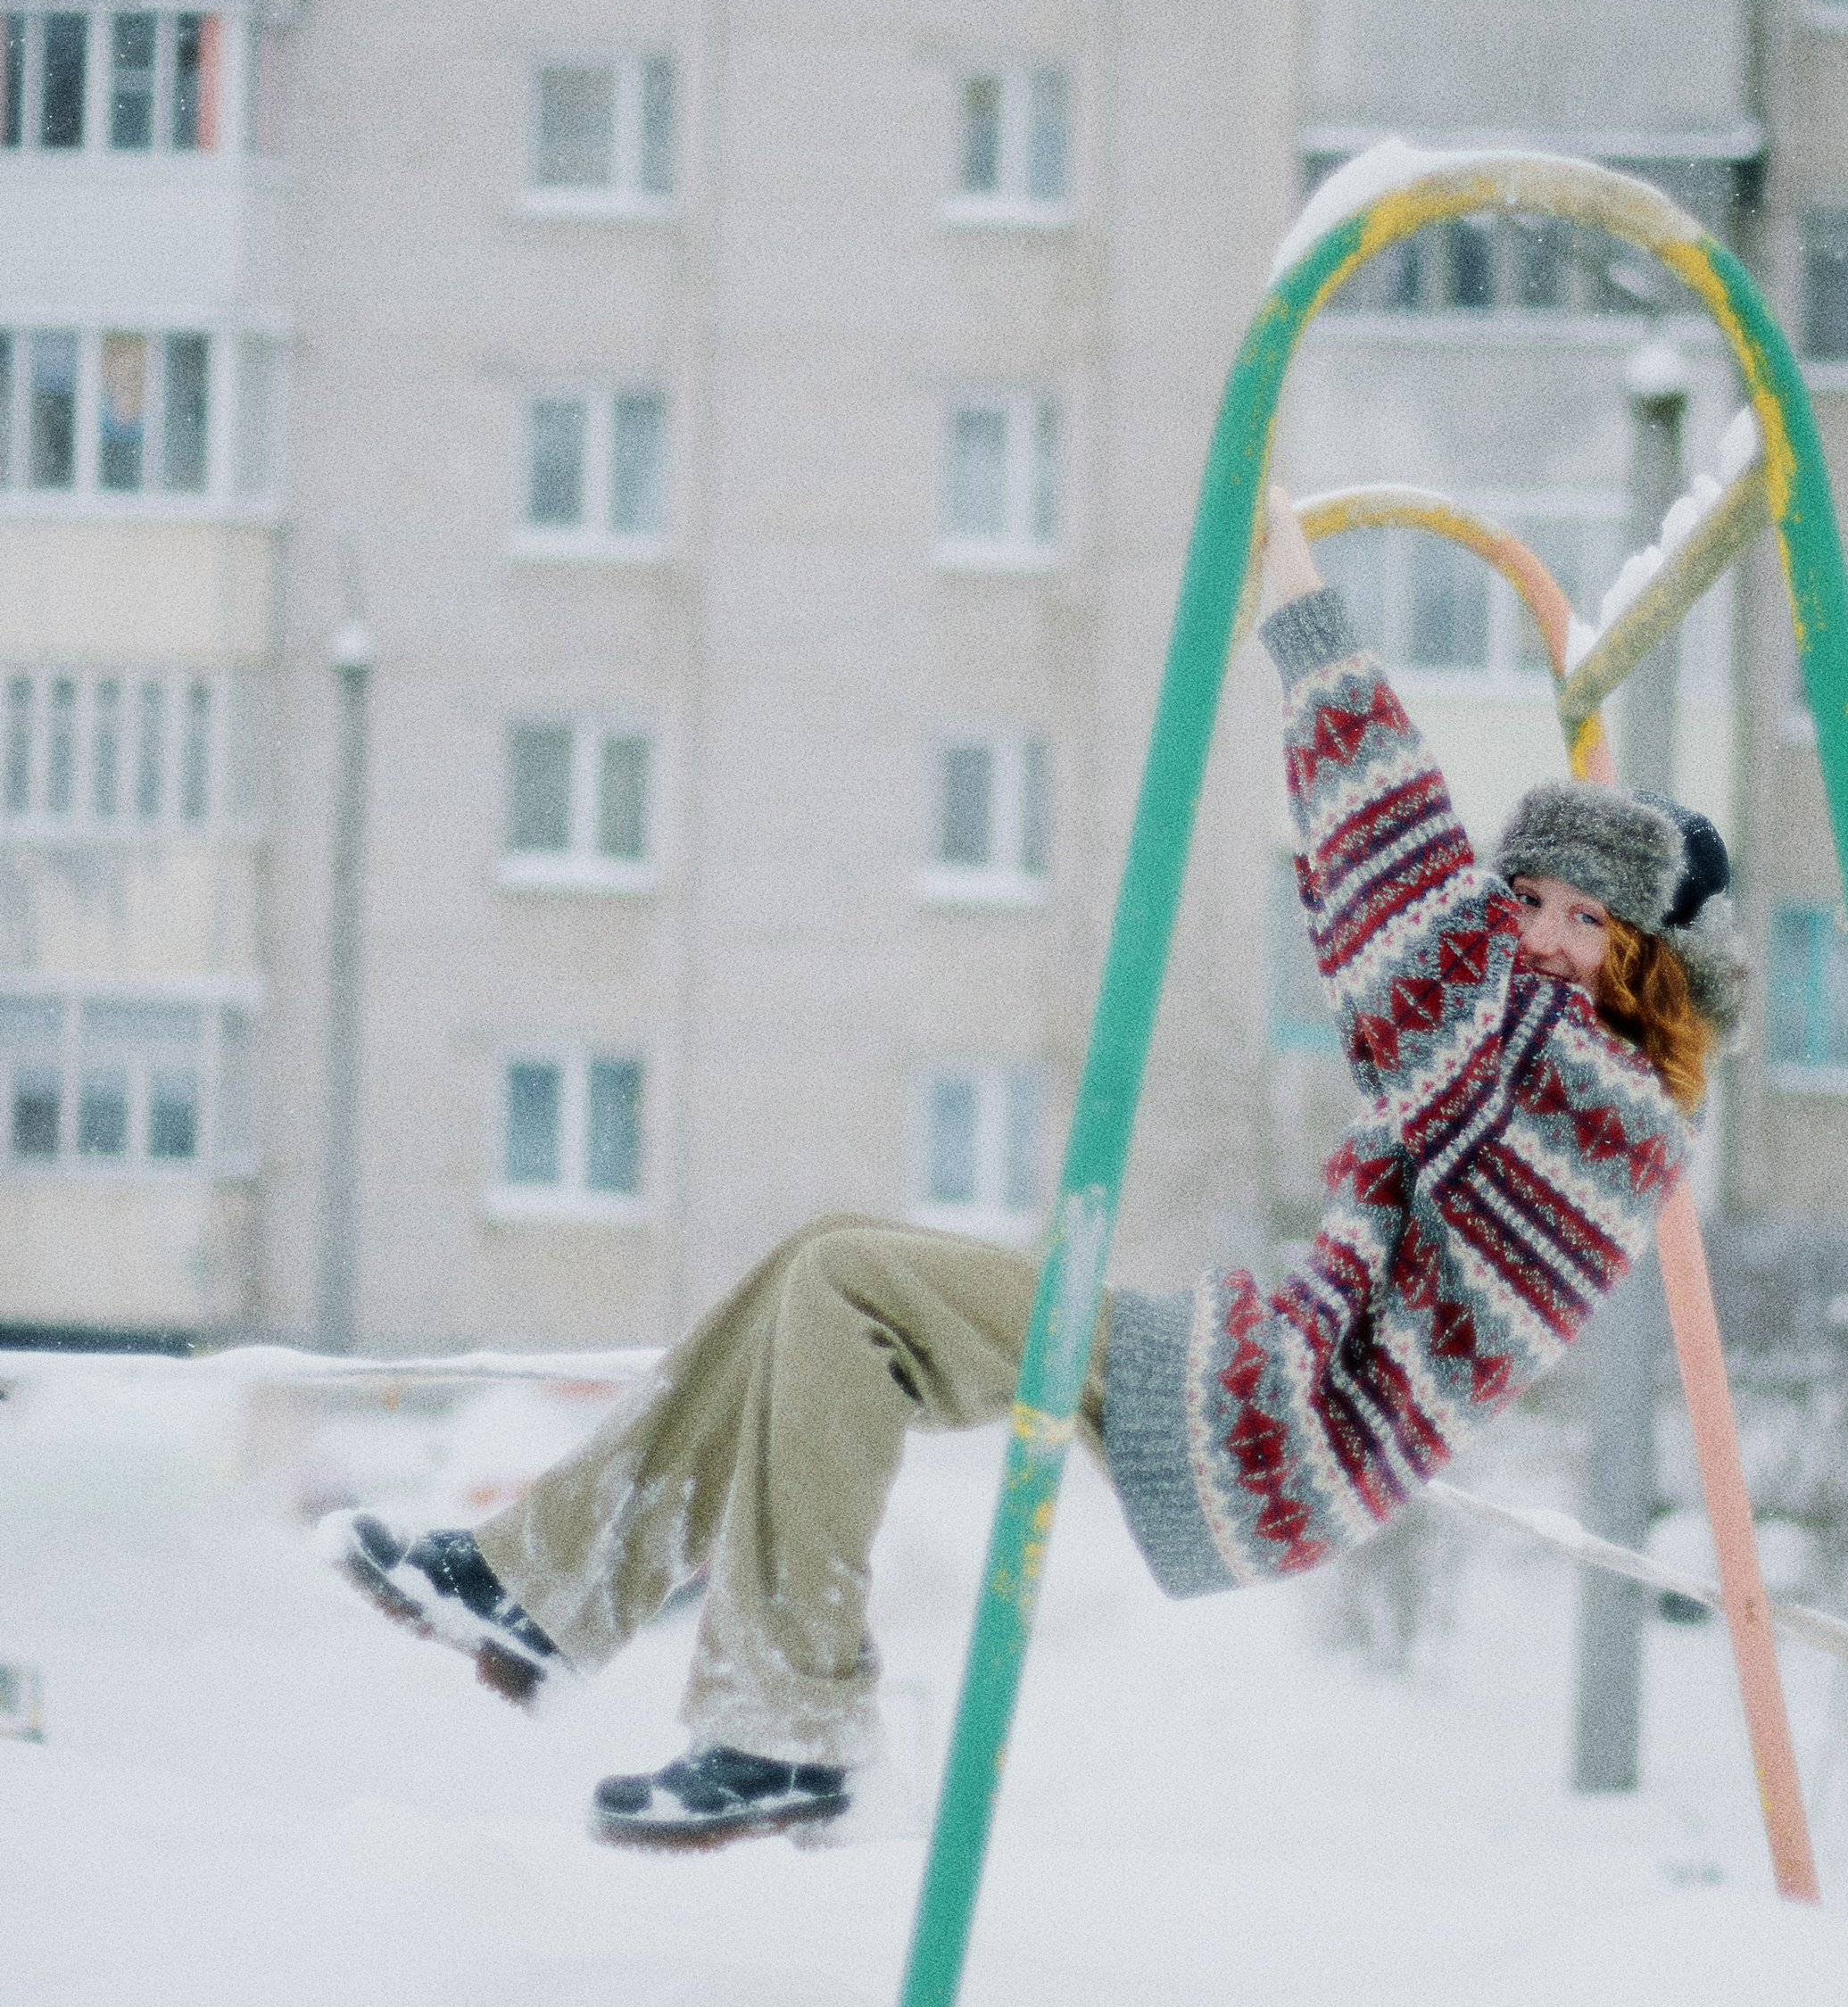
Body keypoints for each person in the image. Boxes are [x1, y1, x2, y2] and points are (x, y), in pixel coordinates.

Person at [332, 490, 1745, 1844]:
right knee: (819, 1274)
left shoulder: (1603, 1114)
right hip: (1266, 1389)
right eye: (1529, 903)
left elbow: (1413, 940)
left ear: (1645, 964)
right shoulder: (1522, 1056)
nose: (1544, 937)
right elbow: (1398, 942)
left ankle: (783, 1724)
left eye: (1583, 920)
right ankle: (556, 1585)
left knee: (847, 1291)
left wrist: (1306, 623)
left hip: (1280, 1427)